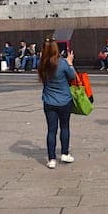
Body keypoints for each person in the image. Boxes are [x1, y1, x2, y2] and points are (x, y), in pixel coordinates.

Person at [38, 36, 76, 169]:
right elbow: (73, 77)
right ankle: (64, 153)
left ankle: (51, 159)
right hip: (64, 100)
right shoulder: (63, 63)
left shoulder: (42, 63)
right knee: (64, 127)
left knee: (51, 130)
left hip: (49, 101)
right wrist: (70, 62)